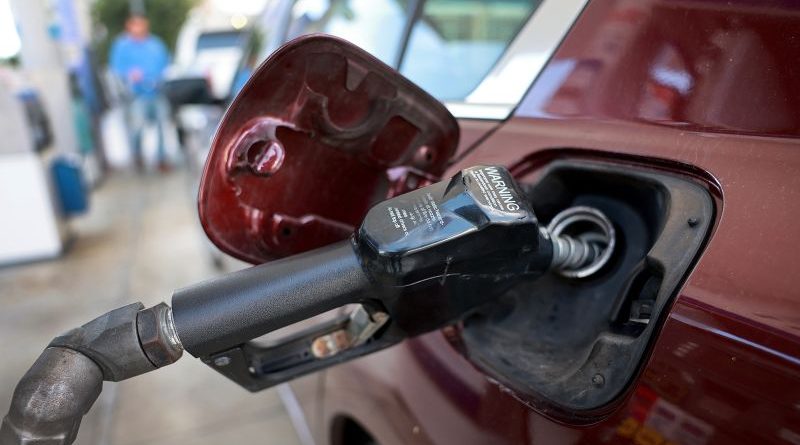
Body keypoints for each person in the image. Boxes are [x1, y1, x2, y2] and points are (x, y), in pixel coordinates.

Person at [110, 14, 170, 171]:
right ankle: (137, 155)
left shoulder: (156, 44)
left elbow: (166, 65)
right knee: (137, 127)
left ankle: (161, 158)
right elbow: (116, 69)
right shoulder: (122, 46)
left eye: (141, 24)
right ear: (129, 27)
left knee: (162, 126)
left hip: (157, 92)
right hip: (136, 95)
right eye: (135, 25)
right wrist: (129, 75)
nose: (138, 28)